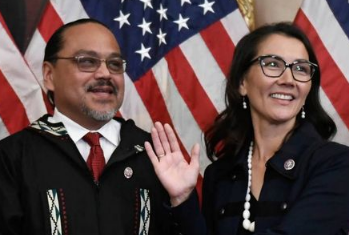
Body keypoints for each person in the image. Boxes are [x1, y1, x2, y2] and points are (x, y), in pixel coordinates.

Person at [145, 22, 349, 235]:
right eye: (272, 64)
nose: (288, 80)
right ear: (242, 82)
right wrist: (183, 199)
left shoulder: (338, 164)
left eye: (300, 68)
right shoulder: (219, 175)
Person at [0, 18, 172, 235]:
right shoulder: (11, 159)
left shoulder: (155, 154)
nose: (105, 74)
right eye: (87, 62)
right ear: (49, 75)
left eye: (115, 64)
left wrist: (183, 202)